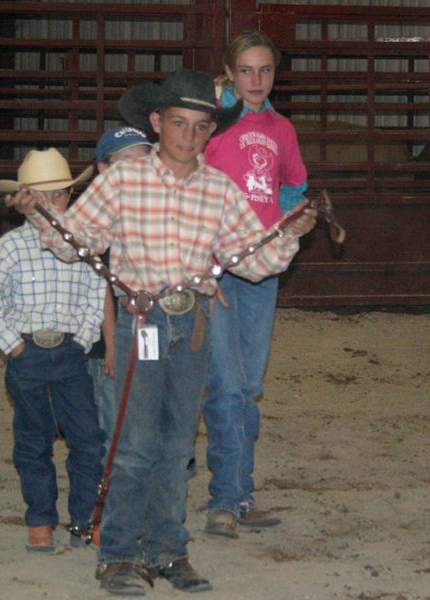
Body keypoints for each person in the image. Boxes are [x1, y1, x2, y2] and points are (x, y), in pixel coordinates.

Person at [6, 68, 316, 596]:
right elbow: (76, 239)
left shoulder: (219, 189)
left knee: (177, 444)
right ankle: (119, 554)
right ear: (156, 122)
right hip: (141, 322)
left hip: (193, 324)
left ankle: (169, 549)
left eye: (200, 127)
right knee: (134, 443)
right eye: (178, 123)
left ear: (210, 132)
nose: (188, 137)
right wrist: (41, 215)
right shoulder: (123, 181)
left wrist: (290, 234)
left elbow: (255, 260)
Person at [202, 30, 309, 538]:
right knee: (225, 383)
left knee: (248, 385)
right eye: (246, 70)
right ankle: (224, 497)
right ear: (230, 71)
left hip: (261, 269)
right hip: (215, 268)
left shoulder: (281, 129)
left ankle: (240, 493)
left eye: (265, 70)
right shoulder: (211, 121)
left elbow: (293, 184)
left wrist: (290, 219)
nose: (256, 80)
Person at [0, 148, 106, 553]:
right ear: (25, 198)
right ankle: (41, 519)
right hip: (28, 352)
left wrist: (83, 340)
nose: (54, 204)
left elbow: (94, 293)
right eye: (43, 195)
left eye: (61, 194)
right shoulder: (8, 248)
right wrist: (15, 347)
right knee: (33, 438)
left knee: (87, 438)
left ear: (71, 196)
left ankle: (86, 517)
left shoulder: (82, 245)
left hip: (69, 353)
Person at [87, 127, 153, 448]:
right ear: (104, 169)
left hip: (148, 334)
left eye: (144, 161)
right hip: (108, 345)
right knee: (115, 424)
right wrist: (112, 345)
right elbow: (99, 288)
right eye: (125, 162)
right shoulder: (94, 222)